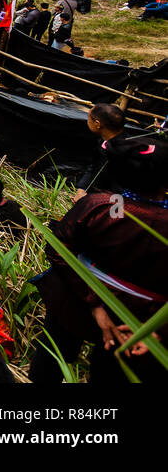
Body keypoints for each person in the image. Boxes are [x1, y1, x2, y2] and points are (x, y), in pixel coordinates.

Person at [28, 141, 168, 383]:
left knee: (51, 357)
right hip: (137, 323)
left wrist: (95, 304)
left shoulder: (101, 207)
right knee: (111, 373)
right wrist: (158, 330)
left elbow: (58, 248)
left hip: (76, 300)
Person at [72, 103, 127, 200]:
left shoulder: (125, 150)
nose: (87, 121)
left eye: (89, 119)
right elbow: (93, 167)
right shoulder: (103, 141)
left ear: (97, 124)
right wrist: (82, 189)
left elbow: (119, 188)